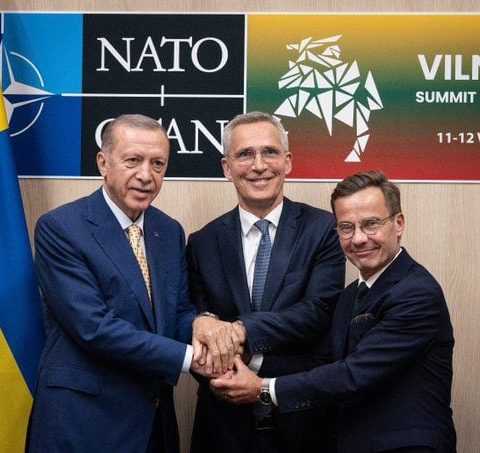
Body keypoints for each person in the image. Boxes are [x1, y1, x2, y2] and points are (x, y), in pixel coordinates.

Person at [26, 114, 238, 453]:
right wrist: (192, 358)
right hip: (84, 423)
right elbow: (94, 327)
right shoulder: (61, 227)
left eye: (158, 164)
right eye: (133, 160)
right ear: (103, 163)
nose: (146, 175)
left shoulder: (169, 231)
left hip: (153, 423)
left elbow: (177, 311)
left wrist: (203, 324)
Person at [212, 171, 456, 452]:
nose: (359, 239)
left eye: (371, 224)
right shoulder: (350, 295)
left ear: (398, 223)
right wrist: (246, 360)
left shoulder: (417, 292)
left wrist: (263, 389)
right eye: (346, 227)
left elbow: (354, 373)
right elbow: (322, 363)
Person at [187, 112, 345, 452]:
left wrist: (241, 332)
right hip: (223, 430)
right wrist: (221, 358)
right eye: (245, 154)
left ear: (287, 162)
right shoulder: (202, 243)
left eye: (269, 152)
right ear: (227, 167)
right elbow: (196, 324)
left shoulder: (324, 231)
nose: (259, 166)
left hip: (303, 424)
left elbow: (318, 313)